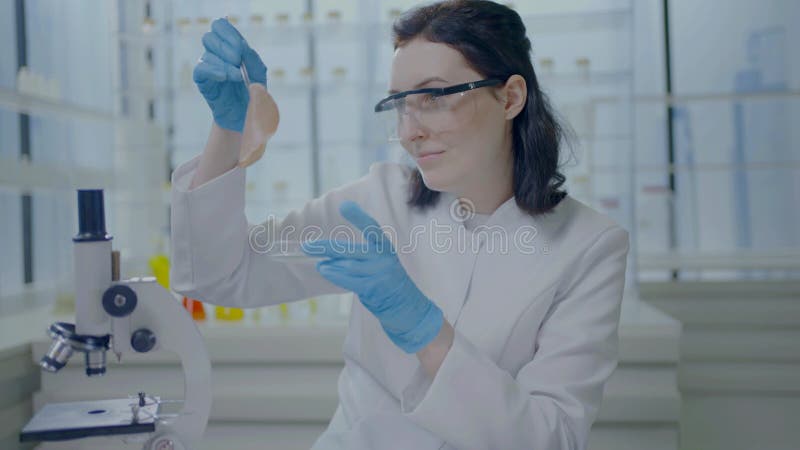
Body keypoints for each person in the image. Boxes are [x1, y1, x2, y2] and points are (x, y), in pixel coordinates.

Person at [171, 1, 629, 449]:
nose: (410, 130)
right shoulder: (377, 201)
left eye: (434, 97)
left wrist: (427, 332)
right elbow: (218, 276)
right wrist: (228, 129)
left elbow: (553, 438)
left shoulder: (590, 247)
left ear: (509, 97)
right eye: (400, 104)